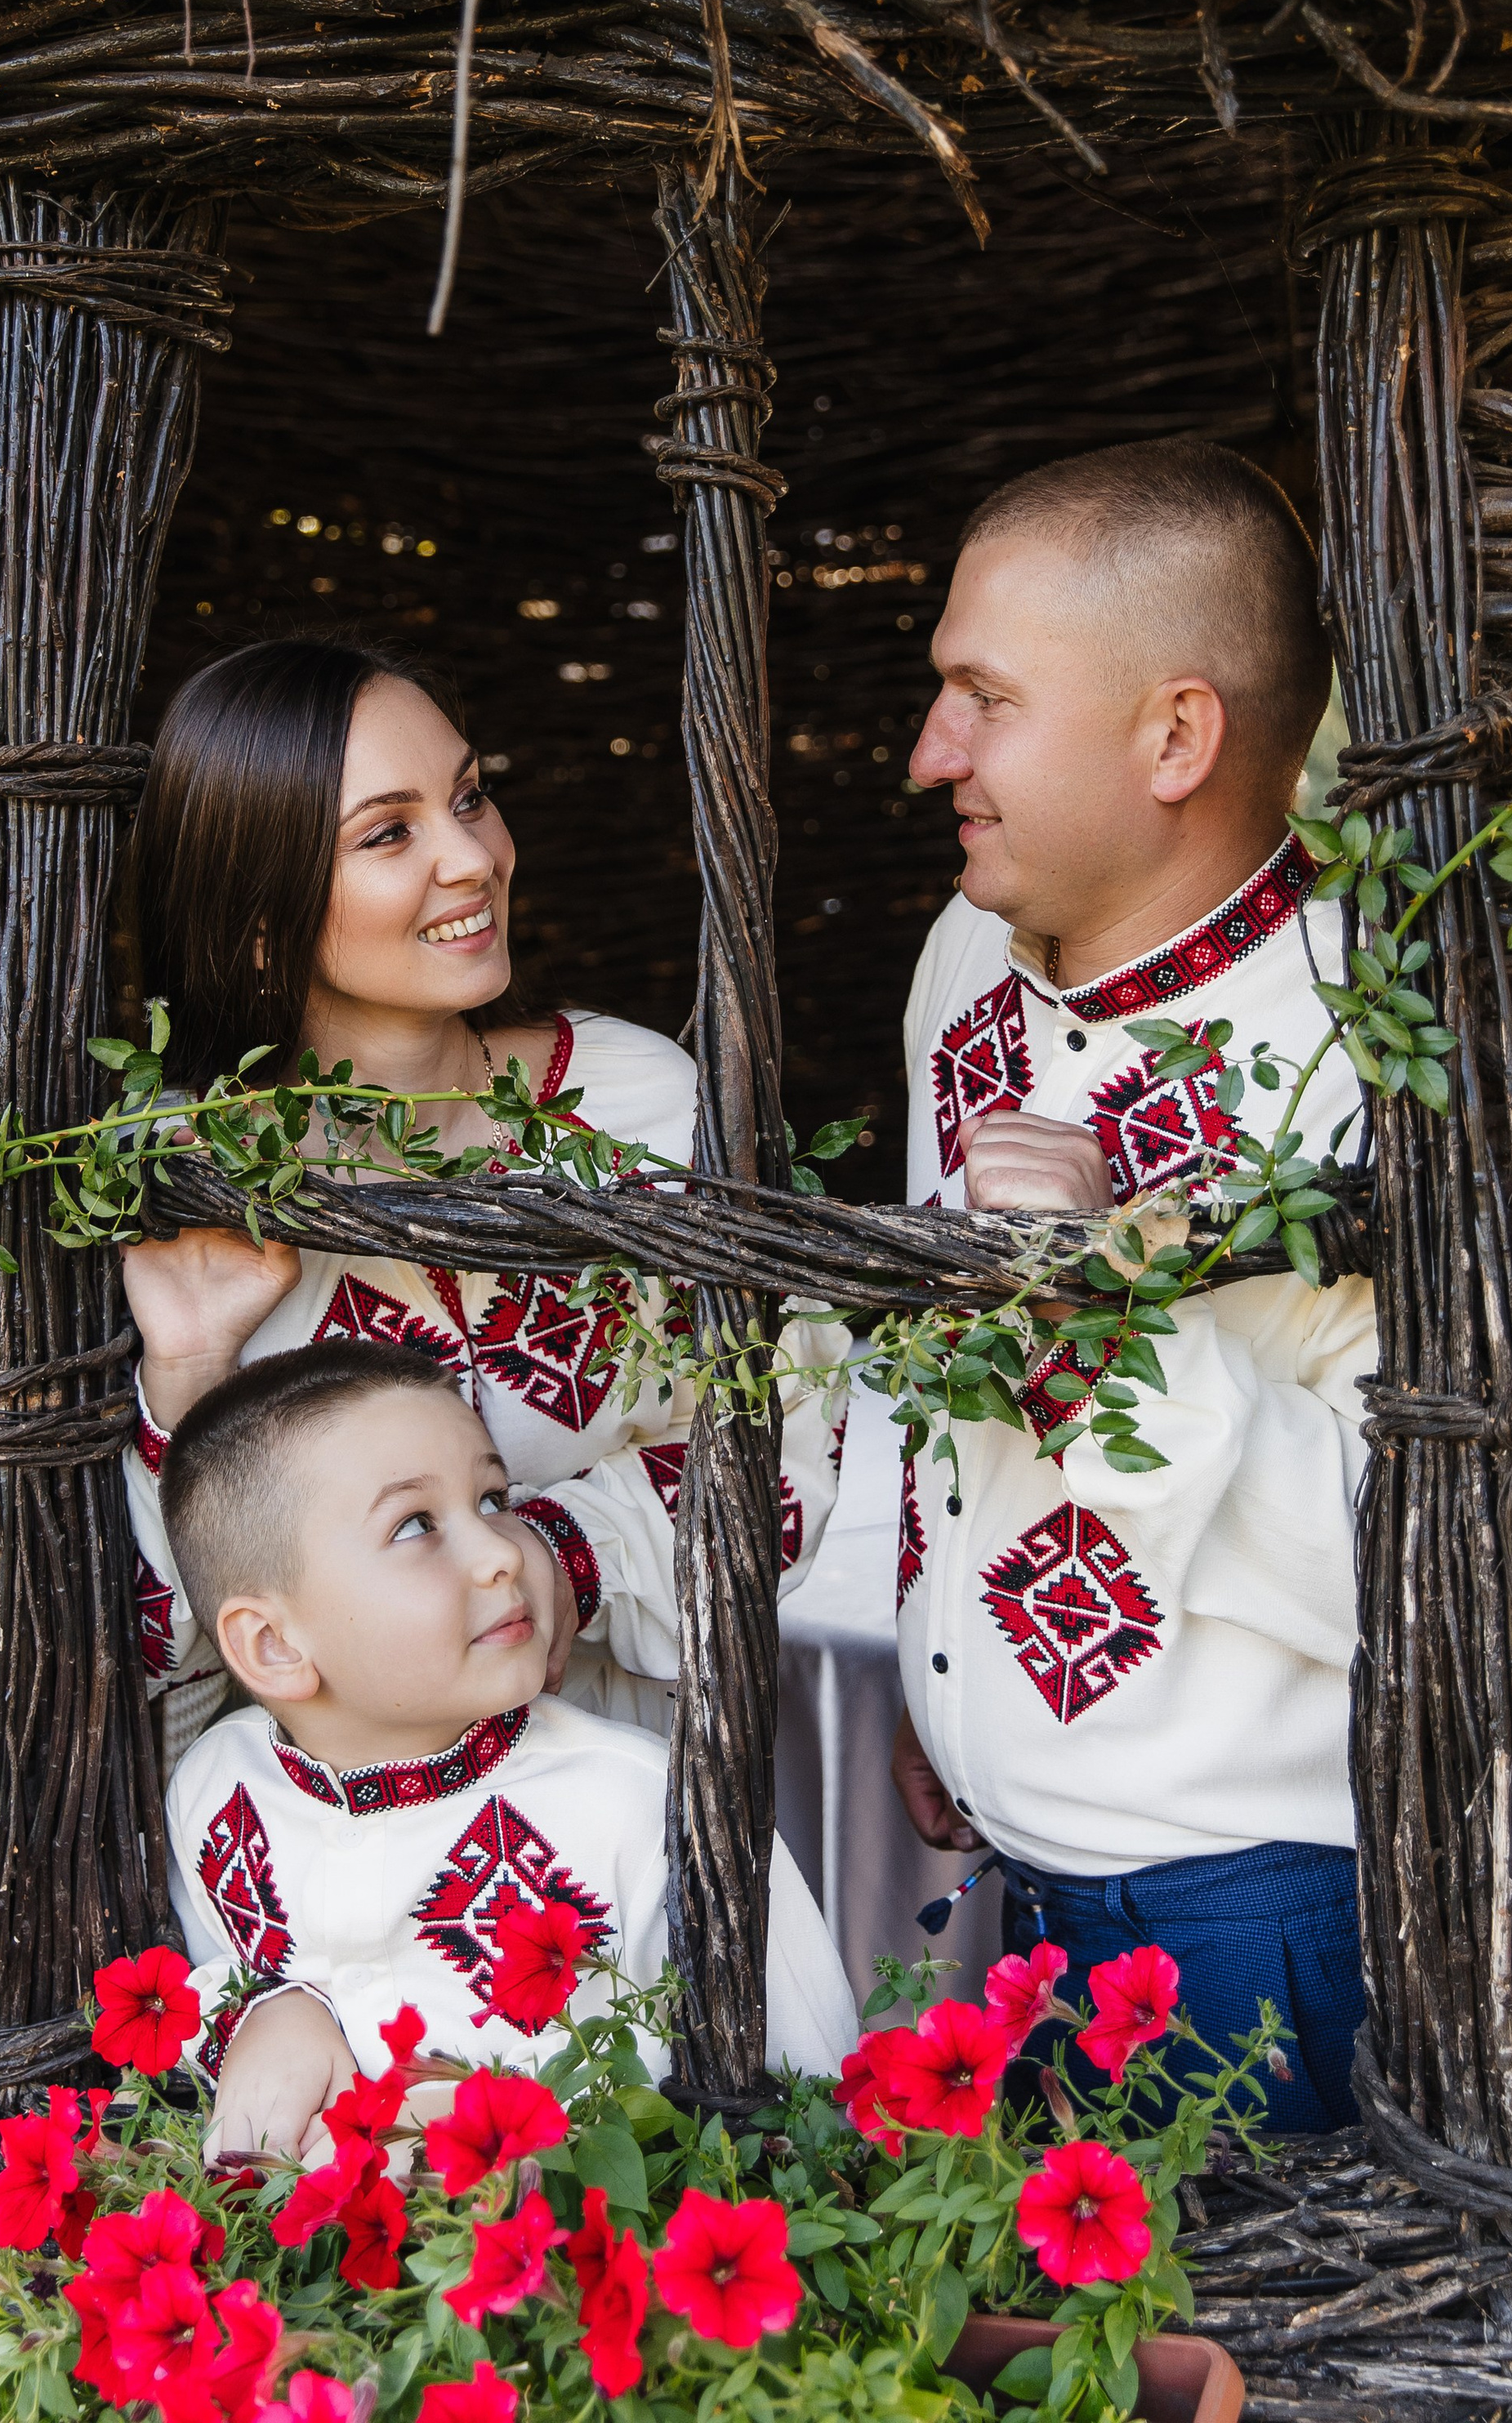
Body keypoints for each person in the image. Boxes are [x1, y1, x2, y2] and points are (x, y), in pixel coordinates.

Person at [889, 439, 1373, 2131]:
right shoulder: (963, 962)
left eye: (981, 698)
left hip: (1254, 1916)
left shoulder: (1366, 1047)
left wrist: (1115, 1305)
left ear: (1173, 736)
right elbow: (930, 1370)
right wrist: (925, 1657)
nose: (924, 754)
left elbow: (1400, 1547)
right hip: (996, 1899)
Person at [119, 637, 846, 1761]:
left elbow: (794, 1426)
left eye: (469, 798)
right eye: (390, 832)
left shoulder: (636, 1106)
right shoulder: (178, 1184)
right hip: (332, 1871)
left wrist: (559, 1550)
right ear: (260, 917)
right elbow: (144, 1648)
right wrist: (184, 1384)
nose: (473, 858)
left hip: (632, 1815)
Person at [160, 1339, 858, 2154]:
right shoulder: (218, 1788)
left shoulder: (643, 1807)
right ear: (274, 1644)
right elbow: (206, 1985)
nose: (502, 1551)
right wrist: (273, 2010)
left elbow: (811, 2103)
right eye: (416, 1525)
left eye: (493, 1498)